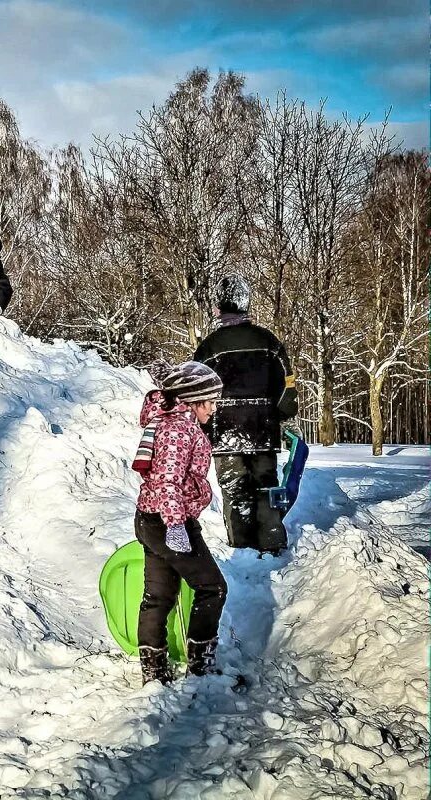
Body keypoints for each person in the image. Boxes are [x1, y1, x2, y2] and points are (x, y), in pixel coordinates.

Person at [133, 361, 228, 684]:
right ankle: (202, 669)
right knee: (212, 588)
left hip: (150, 520)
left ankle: (154, 671)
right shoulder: (177, 429)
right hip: (169, 522)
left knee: (158, 597)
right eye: (211, 401)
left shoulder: (171, 422)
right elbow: (167, 481)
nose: (214, 409)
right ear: (193, 400)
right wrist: (176, 525)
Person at [193, 273, 299, 555]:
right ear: (245, 304)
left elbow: (196, 392)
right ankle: (272, 543)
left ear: (219, 306)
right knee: (266, 486)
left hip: (225, 434)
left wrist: (202, 428)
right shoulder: (269, 342)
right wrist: (283, 413)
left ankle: (243, 550)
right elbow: (286, 385)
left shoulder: (209, 348)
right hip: (263, 430)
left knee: (235, 489)